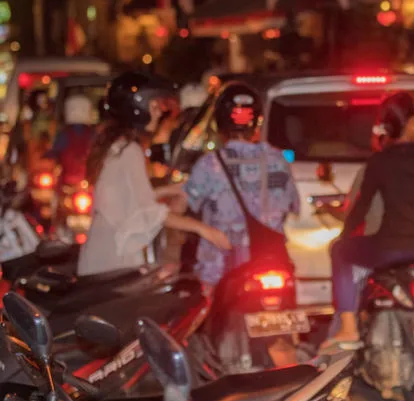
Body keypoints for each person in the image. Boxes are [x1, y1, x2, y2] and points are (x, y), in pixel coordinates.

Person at [324, 91, 414, 350]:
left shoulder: (379, 160)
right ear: (411, 121)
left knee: (340, 252)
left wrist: (345, 236)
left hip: (388, 250)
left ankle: (348, 327)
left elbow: (360, 209)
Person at [78, 72, 230, 276]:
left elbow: (129, 198)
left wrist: (172, 189)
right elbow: (147, 211)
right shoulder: (129, 151)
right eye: (155, 105)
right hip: (113, 261)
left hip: (105, 253)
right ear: (138, 108)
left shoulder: (119, 146)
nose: (160, 112)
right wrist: (205, 230)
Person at [183, 82, 299, 287]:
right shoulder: (278, 160)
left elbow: (186, 203)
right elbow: (293, 206)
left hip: (222, 270)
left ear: (219, 122)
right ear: (257, 122)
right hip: (272, 262)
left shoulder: (210, 164)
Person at [44, 93, 96, 187]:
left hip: (71, 180)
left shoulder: (65, 133)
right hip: (86, 180)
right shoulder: (92, 134)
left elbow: (55, 150)